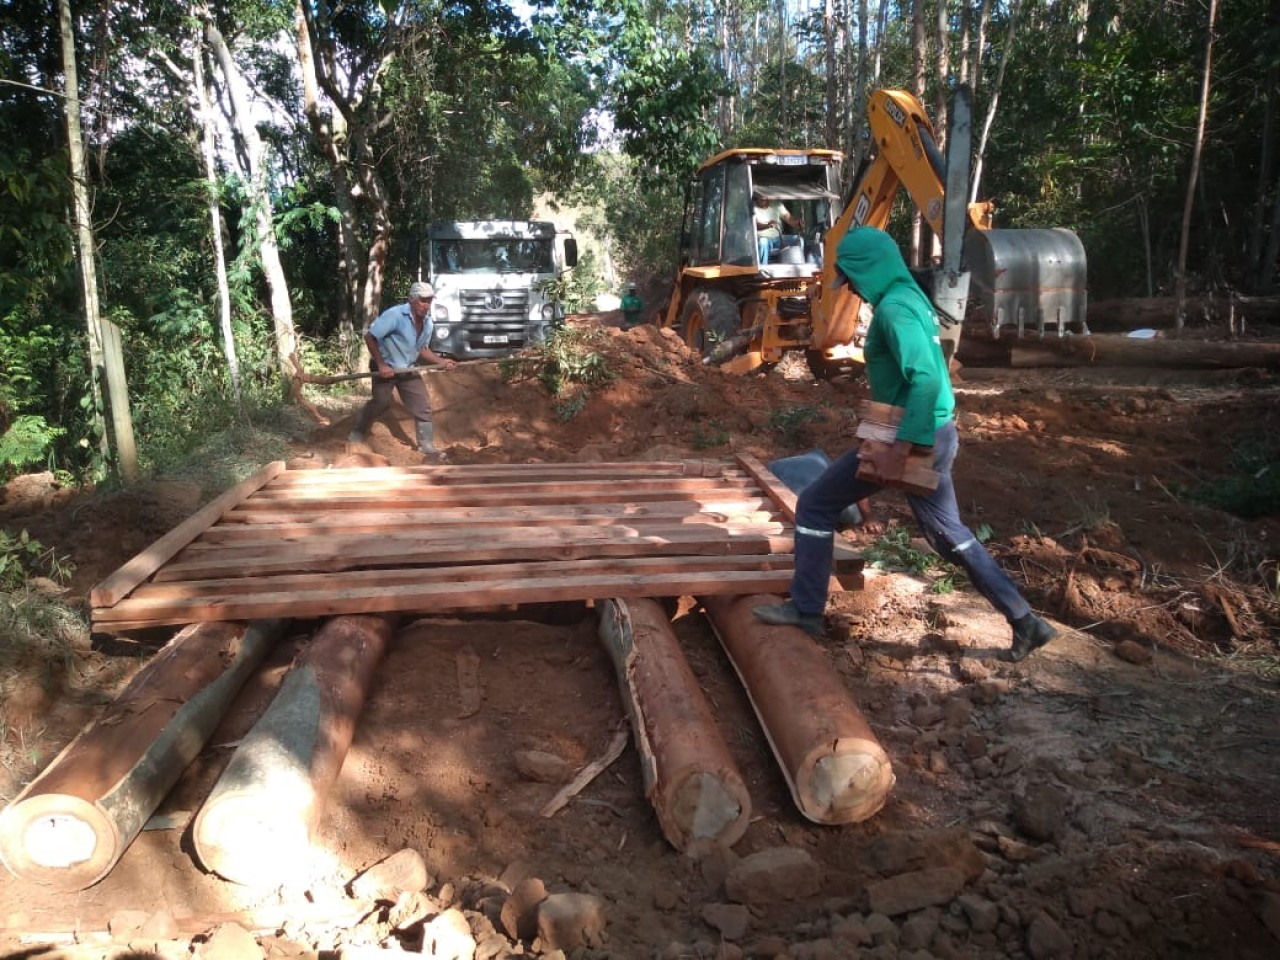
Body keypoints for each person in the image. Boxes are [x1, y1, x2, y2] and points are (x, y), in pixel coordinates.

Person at [753, 227, 1058, 663]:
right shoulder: (910, 298)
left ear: (868, 270)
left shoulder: (895, 309)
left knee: (816, 504)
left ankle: (805, 610)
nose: (853, 289)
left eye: (853, 278)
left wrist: (900, 447)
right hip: (930, 429)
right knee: (949, 535)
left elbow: (928, 379)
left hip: (910, 434)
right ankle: (1026, 622)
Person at [347, 281, 458, 459]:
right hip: (386, 365)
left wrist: (441, 361)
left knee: (422, 404)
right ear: (412, 299)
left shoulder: (428, 323)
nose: (426, 305)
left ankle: (426, 445)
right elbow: (370, 336)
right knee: (381, 401)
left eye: (429, 301)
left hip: (407, 368)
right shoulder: (395, 315)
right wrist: (382, 365)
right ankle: (358, 432)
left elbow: (421, 348)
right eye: (423, 301)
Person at [753, 190, 804, 264]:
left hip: (779, 238)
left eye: (765, 198)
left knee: (799, 240)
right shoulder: (752, 207)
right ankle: (763, 269)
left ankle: (799, 266)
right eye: (760, 198)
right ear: (756, 197)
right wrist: (767, 226)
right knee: (762, 242)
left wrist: (798, 223)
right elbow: (756, 225)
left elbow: (790, 219)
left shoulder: (777, 204)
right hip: (763, 238)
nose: (763, 200)